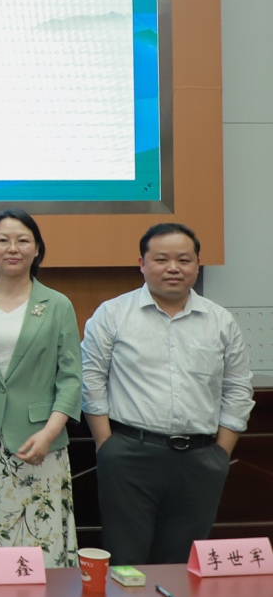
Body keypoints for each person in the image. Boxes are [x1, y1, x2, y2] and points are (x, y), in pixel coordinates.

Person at [81, 222, 254, 565]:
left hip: (201, 459)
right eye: (161, 259)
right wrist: (106, 444)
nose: (173, 268)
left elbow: (237, 388)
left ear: (197, 264)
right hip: (129, 454)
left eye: (184, 260)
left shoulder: (220, 321)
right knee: (127, 561)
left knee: (182, 564)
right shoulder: (113, 314)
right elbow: (90, 379)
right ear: (142, 263)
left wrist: (221, 454)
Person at [0, 209, 82, 568]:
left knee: (40, 540)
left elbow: (71, 378)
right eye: (3, 240)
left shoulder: (57, 304)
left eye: (23, 240)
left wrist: (49, 432)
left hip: (39, 443)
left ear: (37, 249)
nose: (13, 248)